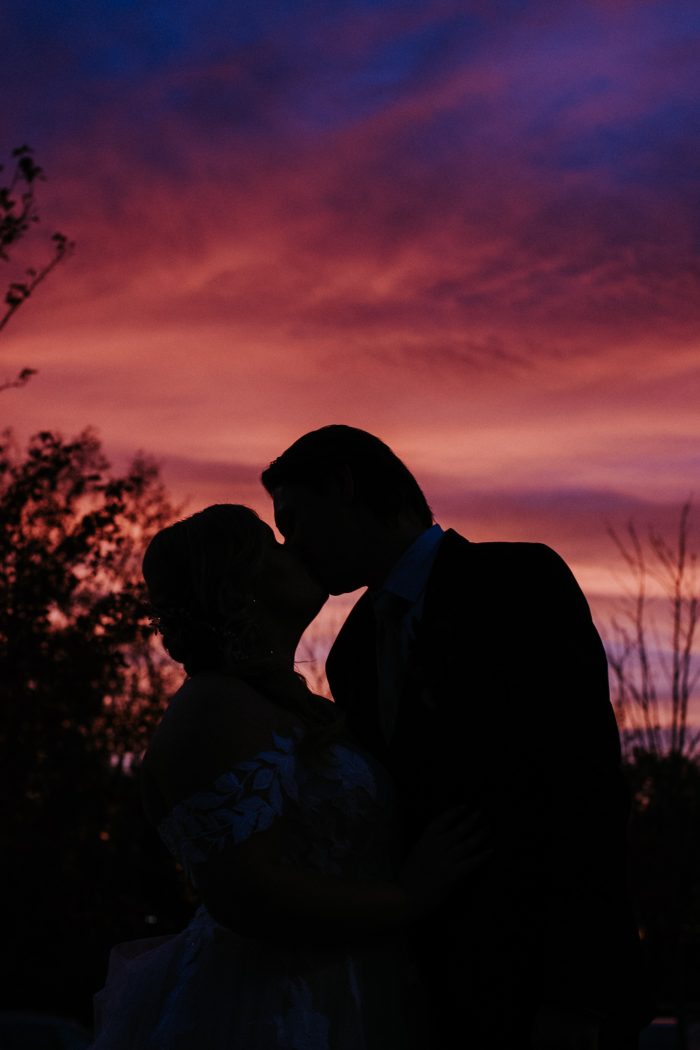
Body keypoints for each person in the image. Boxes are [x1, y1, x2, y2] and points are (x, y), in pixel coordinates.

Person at [262, 425, 653, 1050]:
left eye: (296, 522)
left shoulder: (518, 581)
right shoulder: (351, 653)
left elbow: (586, 789)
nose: (292, 548)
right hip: (431, 996)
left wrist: (573, 1000)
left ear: (344, 489)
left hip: (546, 986)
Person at [91, 504, 489, 1050]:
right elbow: (247, 893)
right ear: (238, 584)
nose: (294, 549)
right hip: (273, 1008)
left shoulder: (285, 703)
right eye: (270, 544)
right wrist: (409, 897)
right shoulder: (212, 707)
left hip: (358, 986)